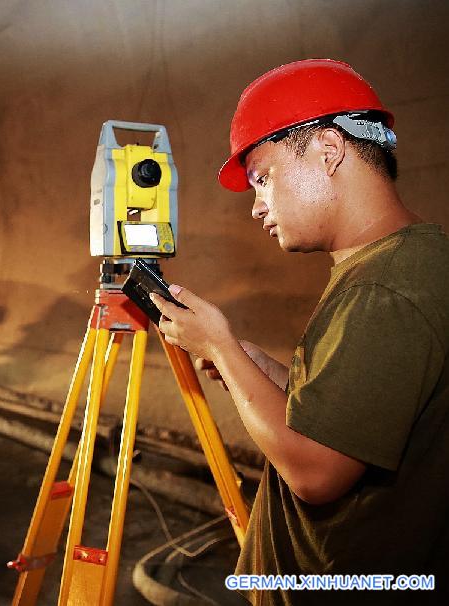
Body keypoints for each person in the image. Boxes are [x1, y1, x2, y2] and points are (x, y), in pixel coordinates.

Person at [149, 59, 449, 605]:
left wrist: (219, 344)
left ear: (328, 152)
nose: (258, 204)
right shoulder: (401, 264)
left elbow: (318, 474)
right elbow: (368, 417)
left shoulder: (385, 287)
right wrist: (274, 378)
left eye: (263, 177)